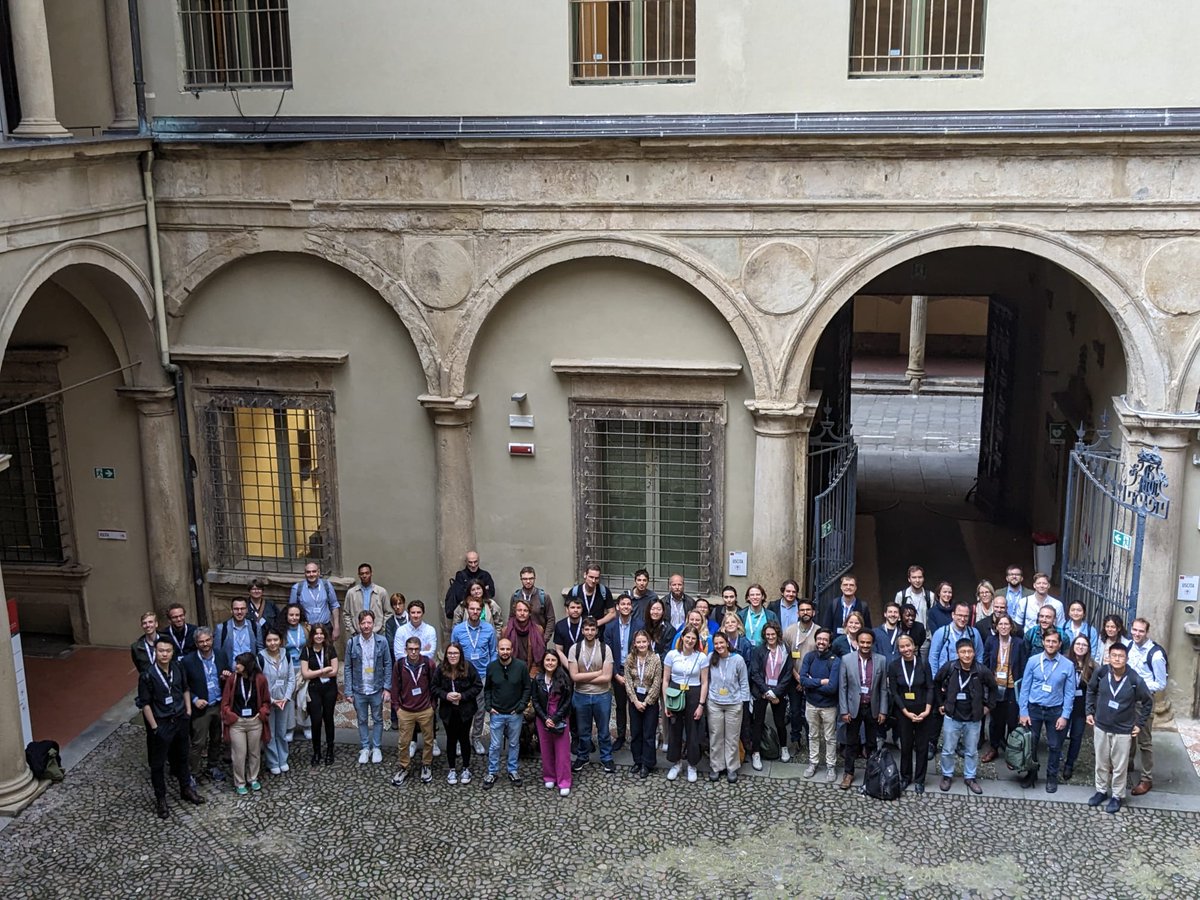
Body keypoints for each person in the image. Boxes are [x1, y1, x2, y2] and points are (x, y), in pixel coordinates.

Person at [137, 636, 205, 818]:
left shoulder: (177, 667)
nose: (164, 654)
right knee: (158, 765)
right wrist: (154, 727)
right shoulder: (147, 675)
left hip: (180, 719)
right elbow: (145, 704)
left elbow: (185, 689)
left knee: (182, 757)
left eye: (167, 651)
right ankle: (161, 799)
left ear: (172, 652)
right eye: (161, 651)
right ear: (155, 652)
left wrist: (188, 712)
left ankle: (186, 789)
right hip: (162, 723)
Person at [1086, 642, 1153, 814]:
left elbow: (1147, 702)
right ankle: (1101, 791)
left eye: (1120, 656)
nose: (1117, 659)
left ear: (1126, 658)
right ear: (1108, 657)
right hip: (1101, 725)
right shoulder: (1101, 673)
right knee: (1101, 762)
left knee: (1119, 765)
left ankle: (1117, 795)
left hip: (1123, 729)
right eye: (1113, 655)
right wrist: (1089, 711)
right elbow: (1091, 690)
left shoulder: (1134, 679)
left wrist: (1140, 724)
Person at [1017, 628, 1077, 791]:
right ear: (1043, 642)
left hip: (1055, 710)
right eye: (1048, 641)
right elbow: (1025, 687)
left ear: (1059, 644)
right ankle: (1032, 773)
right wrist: (1023, 711)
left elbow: (1070, 693)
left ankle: (1052, 776)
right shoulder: (1033, 661)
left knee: (1055, 745)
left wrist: (1065, 715)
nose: (1051, 644)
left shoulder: (1068, 665)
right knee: (1032, 744)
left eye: (1054, 642)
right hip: (1034, 708)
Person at [934, 637, 996, 794]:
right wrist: (941, 703)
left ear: (974, 653)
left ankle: (970, 776)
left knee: (972, 750)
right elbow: (936, 683)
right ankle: (947, 775)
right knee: (948, 749)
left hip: (973, 718)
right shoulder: (949, 667)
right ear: (957, 653)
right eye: (963, 652)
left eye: (969, 651)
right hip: (952, 716)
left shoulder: (982, 671)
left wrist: (988, 706)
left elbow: (993, 688)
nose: (967, 655)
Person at [837, 629, 888, 790]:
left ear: (872, 643)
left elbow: (883, 689)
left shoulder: (881, 660)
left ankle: (871, 773)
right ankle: (848, 773)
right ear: (857, 643)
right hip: (853, 708)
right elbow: (843, 687)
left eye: (868, 642)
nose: (865, 645)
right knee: (851, 743)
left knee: (872, 744)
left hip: (872, 707)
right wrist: (844, 711)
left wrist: (883, 710)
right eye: (862, 642)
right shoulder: (846, 659)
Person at [1126, 616, 1168, 796]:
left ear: (1147, 632)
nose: (1137, 634)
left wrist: (1139, 686)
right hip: (1128, 699)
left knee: (1144, 740)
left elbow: (1161, 683)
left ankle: (1146, 778)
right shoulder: (1128, 646)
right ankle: (1127, 763)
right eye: (1134, 630)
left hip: (1144, 701)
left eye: (1141, 631)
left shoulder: (1156, 654)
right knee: (1127, 734)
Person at [567, 617, 615, 774]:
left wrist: (585, 676)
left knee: (604, 731)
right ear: (582, 631)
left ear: (597, 631)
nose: (589, 632)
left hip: (602, 695)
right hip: (581, 695)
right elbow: (574, 676)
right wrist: (598, 672)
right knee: (583, 731)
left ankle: (606, 757)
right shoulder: (575, 649)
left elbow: (607, 677)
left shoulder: (605, 649)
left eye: (592, 629)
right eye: (586, 629)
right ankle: (583, 756)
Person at [345, 609, 393, 765]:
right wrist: (348, 690)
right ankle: (365, 747)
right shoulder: (352, 643)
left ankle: (377, 747)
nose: (366, 626)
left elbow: (387, 664)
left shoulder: (382, 641)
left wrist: (387, 687)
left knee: (378, 719)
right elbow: (347, 667)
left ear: (374, 623)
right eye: (363, 623)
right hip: (359, 688)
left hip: (376, 687)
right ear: (359, 624)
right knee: (362, 719)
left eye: (369, 622)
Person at [430, 642, 482, 785]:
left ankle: (466, 768)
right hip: (448, 711)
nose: (453, 656)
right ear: (446, 655)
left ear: (460, 654)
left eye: (455, 653)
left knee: (464, 739)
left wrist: (462, 696)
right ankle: (452, 769)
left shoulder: (468, 667)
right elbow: (434, 687)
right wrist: (445, 695)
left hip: (465, 711)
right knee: (451, 739)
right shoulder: (441, 669)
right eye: (450, 653)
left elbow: (478, 685)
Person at [662, 626, 709, 783]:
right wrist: (666, 702)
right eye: (687, 637)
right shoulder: (671, 655)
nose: (690, 641)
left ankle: (692, 764)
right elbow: (666, 680)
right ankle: (676, 763)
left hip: (694, 693)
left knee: (693, 730)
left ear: (696, 641)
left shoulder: (701, 658)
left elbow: (704, 682)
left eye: (693, 639)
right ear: (682, 637)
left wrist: (701, 704)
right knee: (675, 728)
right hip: (675, 692)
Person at [482, 637, 531, 788]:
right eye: (502, 649)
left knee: (514, 743)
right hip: (497, 712)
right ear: (497, 649)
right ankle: (492, 772)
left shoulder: (521, 666)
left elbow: (527, 688)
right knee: (495, 745)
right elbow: (488, 689)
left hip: (515, 713)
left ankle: (513, 770)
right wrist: (489, 707)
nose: (504, 652)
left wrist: (521, 706)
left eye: (507, 649)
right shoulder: (491, 667)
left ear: (512, 650)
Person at [452, 596, 498, 755]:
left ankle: (476, 738)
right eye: (472, 608)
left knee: (479, 711)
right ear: (466, 610)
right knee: (461, 711)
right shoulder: (458, 630)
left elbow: (493, 652)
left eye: (478, 609)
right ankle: (459, 739)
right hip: (463, 676)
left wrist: (491, 673)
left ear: (482, 611)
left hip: (483, 675)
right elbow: (453, 653)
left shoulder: (488, 629)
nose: (475, 611)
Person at [220, 651, 270, 795]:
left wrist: (261, 713)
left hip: (255, 721)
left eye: (239, 664)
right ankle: (240, 781)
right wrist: (230, 715)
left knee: (255, 752)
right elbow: (225, 701)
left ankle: (253, 778)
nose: (236, 666)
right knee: (239, 754)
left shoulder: (260, 679)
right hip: (238, 722)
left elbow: (266, 700)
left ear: (248, 665)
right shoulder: (233, 679)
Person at [181, 626, 226, 783]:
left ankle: (212, 766)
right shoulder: (188, 661)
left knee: (216, 739)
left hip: (218, 704)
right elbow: (183, 685)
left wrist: (226, 675)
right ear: (196, 643)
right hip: (201, 709)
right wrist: (194, 699)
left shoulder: (220, 655)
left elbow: (225, 673)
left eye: (207, 640)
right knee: (199, 742)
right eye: (201, 642)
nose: (205, 644)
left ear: (212, 639)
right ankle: (193, 773)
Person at [981, 614, 1028, 764]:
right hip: (996, 686)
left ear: (1011, 626)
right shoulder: (991, 641)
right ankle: (994, 747)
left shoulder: (1019, 643)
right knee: (995, 720)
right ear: (996, 626)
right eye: (1000, 624)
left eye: (1006, 624)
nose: (1003, 627)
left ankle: (1011, 750)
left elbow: (1023, 665)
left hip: (1012, 688)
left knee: (1012, 720)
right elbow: (986, 662)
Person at [889, 633, 933, 793]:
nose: (906, 649)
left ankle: (920, 779)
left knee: (922, 747)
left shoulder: (923, 664)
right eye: (902, 646)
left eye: (908, 645)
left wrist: (927, 709)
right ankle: (905, 776)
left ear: (914, 646)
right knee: (906, 746)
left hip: (923, 712)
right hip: (904, 712)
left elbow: (930, 687)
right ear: (898, 648)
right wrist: (906, 712)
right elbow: (894, 692)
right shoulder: (894, 666)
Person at [390, 636, 437, 785]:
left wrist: (432, 706)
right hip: (406, 710)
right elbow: (395, 687)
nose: (413, 652)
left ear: (420, 649)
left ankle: (426, 765)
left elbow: (434, 686)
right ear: (405, 650)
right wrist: (397, 708)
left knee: (429, 740)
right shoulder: (399, 665)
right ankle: (404, 767)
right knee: (404, 742)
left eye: (416, 649)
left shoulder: (428, 663)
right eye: (410, 649)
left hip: (425, 709)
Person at [749, 621, 793, 770]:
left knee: (780, 722)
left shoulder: (785, 649)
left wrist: (776, 692)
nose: (770, 637)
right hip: (761, 692)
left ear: (778, 634)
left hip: (779, 691)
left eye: (773, 634)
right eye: (767, 634)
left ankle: (784, 747)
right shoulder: (758, 650)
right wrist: (767, 691)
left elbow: (788, 673)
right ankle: (756, 753)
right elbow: (755, 673)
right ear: (764, 635)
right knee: (758, 723)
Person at [707, 631, 749, 783]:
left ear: (727, 643)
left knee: (732, 737)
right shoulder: (710, 658)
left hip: (733, 703)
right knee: (716, 735)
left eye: (721, 643)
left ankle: (731, 767)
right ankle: (716, 766)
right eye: (716, 643)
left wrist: (743, 703)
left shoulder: (738, 659)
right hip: (715, 703)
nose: (719, 646)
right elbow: (706, 679)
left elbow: (744, 682)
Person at [531, 648, 574, 796]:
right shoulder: (538, 679)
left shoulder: (564, 678)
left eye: (553, 660)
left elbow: (567, 701)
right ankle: (549, 776)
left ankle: (564, 781)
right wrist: (544, 718)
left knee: (562, 752)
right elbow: (535, 701)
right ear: (543, 662)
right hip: (543, 719)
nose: (550, 663)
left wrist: (555, 718)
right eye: (547, 660)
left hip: (560, 718)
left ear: (557, 662)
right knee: (546, 749)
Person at [799, 629, 841, 782]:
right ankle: (813, 762)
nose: (821, 642)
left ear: (829, 643)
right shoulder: (809, 657)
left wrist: (812, 682)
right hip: (811, 704)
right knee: (812, 735)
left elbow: (832, 687)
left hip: (829, 706)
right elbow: (803, 680)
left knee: (830, 737)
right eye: (819, 639)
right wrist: (821, 681)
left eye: (825, 639)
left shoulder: (835, 660)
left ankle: (831, 766)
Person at [603, 592, 641, 751]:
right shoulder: (610, 627)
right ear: (617, 607)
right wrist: (615, 675)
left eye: (628, 604)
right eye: (622, 604)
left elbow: (643, 650)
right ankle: (620, 736)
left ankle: (636, 737)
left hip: (634, 671)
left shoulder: (640, 625)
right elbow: (607, 652)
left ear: (632, 607)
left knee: (635, 705)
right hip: (617, 670)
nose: (626, 607)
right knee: (619, 705)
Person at [624, 630, 663, 778]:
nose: (641, 644)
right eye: (638, 642)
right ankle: (637, 761)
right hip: (634, 697)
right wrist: (635, 700)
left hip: (649, 700)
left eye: (644, 641)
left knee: (648, 733)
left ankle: (647, 763)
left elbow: (656, 683)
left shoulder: (655, 659)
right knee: (636, 732)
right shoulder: (630, 659)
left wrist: (646, 702)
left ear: (648, 642)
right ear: (634, 643)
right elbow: (627, 680)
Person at [299, 623, 339, 767]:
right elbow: (305, 674)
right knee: (315, 720)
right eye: (316, 633)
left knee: (328, 718)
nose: (319, 636)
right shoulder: (306, 651)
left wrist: (315, 672)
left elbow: (334, 671)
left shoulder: (330, 649)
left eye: (321, 633)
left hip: (329, 688)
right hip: (314, 688)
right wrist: (323, 670)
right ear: (312, 636)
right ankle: (316, 751)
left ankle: (330, 749)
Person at [782, 597, 819, 753]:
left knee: (810, 713)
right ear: (798, 613)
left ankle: (812, 741)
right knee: (795, 711)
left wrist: (805, 680)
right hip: (793, 678)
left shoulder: (819, 631)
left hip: (811, 679)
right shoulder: (790, 631)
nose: (805, 612)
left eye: (808, 610)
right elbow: (785, 656)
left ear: (813, 612)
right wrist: (797, 677)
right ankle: (795, 739)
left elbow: (820, 657)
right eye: (802, 610)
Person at [258, 628, 296, 775]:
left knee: (282, 731)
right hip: (268, 702)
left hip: (284, 701)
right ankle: (273, 761)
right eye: (269, 640)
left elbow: (291, 678)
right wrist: (272, 700)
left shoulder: (286, 655)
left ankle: (283, 759)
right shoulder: (260, 658)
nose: (272, 643)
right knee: (270, 733)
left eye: (275, 640)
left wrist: (286, 698)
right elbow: (260, 683)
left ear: (280, 640)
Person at [1062, 633, 1096, 780]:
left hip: (1081, 708)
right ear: (1073, 646)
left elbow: (1095, 689)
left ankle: (1069, 764)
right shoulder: (1064, 661)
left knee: (1076, 736)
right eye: (1078, 644)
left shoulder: (1093, 666)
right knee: (1060, 734)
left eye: (1084, 645)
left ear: (1088, 648)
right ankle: (1055, 760)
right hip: (1064, 705)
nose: (1080, 647)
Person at [289, 562, 341, 642]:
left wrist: (336, 627)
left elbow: (334, 605)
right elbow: (291, 611)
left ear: (318, 572)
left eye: (314, 571)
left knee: (327, 653)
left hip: (325, 627)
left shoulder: (327, 585)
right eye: (308, 572)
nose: (311, 574)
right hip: (307, 628)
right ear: (305, 573)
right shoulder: (297, 588)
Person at [929, 602, 984, 676]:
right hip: (946, 677)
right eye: (960, 615)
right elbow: (933, 658)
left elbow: (979, 656)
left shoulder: (974, 633)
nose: (962, 619)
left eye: (966, 616)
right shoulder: (942, 633)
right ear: (953, 615)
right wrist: (935, 680)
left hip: (968, 677)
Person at [281, 603, 310, 741]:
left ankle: (306, 726)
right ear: (286, 616)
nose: (294, 617)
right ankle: (290, 728)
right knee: (289, 699)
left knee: (304, 697)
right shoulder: (282, 631)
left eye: (297, 615)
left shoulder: (305, 629)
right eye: (291, 615)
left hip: (303, 667)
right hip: (288, 668)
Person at [443, 550, 496, 620]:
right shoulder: (460, 576)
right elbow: (459, 595)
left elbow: (491, 592)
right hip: (466, 613)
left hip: (484, 611)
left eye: (475, 562)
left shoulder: (485, 575)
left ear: (479, 561)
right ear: (466, 562)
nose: (473, 565)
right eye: (470, 562)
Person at [215, 597, 264, 671]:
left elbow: (260, 649)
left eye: (242, 608)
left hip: (251, 672)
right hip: (231, 673)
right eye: (236, 609)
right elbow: (217, 653)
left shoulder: (255, 627)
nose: (239, 612)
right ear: (231, 610)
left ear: (247, 610)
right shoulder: (221, 628)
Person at [564, 564, 616, 631]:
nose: (593, 581)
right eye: (591, 577)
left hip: (598, 632)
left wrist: (597, 623)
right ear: (585, 575)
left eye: (596, 578)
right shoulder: (575, 591)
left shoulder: (604, 591)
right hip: (579, 631)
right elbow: (568, 612)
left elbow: (612, 613)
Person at [509, 566, 555, 640]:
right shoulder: (516, 596)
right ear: (521, 579)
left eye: (531, 578)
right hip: (519, 638)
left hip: (538, 638)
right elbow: (511, 617)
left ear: (534, 579)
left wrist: (544, 639)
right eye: (525, 579)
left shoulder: (543, 597)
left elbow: (551, 619)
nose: (528, 581)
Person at [383, 592, 407, 730]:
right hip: (396, 660)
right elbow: (390, 642)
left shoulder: (410, 617)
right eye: (395, 605)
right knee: (396, 688)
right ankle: (394, 717)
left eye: (400, 603)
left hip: (413, 658)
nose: (398, 607)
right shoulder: (390, 622)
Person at [343, 563, 388, 637]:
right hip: (358, 633)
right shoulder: (351, 593)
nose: (364, 576)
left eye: (367, 573)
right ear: (359, 575)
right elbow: (346, 614)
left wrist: (381, 628)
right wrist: (352, 631)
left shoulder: (381, 592)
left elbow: (388, 613)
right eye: (362, 573)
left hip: (377, 633)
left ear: (371, 573)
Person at [393, 598, 438, 664]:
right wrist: (423, 651)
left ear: (423, 613)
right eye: (413, 613)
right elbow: (399, 656)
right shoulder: (401, 631)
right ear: (409, 614)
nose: (416, 615)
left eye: (419, 612)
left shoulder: (430, 630)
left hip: (425, 669)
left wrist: (408, 652)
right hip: (405, 668)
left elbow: (430, 654)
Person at [895, 565, 935, 630]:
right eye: (914, 577)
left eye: (920, 577)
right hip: (906, 636)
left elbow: (933, 618)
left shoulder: (930, 596)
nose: (917, 580)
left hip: (925, 637)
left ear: (923, 578)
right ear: (909, 579)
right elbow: (897, 618)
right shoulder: (901, 596)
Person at [740, 583, 779, 648]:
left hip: (764, 652)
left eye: (758, 594)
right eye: (752, 595)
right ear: (748, 598)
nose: (755, 597)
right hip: (745, 652)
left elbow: (777, 635)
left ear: (763, 596)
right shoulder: (741, 615)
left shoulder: (771, 615)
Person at [1001, 564, 1035, 629]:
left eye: (1017, 574)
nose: (1014, 576)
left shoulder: (1030, 594)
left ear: (1022, 578)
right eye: (1011, 574)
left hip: (1024, 629)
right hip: (1004, 627)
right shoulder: (999, 593)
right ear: (1007, 578)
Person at [872, 601, 904, 667]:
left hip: (898, 672)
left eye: (895, 612)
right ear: (885, 614)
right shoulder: (875, 633)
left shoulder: (903, 635)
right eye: (890, 612)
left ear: (899, 616)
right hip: (881, 671)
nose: (893, 614)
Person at [131, 611, 161, 675]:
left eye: (150, 622)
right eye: (144, 623)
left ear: (156, 624)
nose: (147, 625)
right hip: (147, 682)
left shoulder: (167, 642)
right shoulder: (136, 647)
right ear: (142, 626)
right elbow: (139, 667)